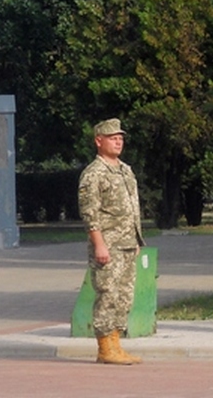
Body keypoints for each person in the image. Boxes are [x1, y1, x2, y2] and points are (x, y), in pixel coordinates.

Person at [78, 118, 145, 365]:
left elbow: (131, 208)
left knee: (124, 296)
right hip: (108, 245)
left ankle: (116, 344)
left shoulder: (124, 169)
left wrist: (136, 239)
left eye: (120, 137)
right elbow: (89, 213)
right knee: (107, 294)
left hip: (127, 243)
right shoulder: (93, 173)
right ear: (99, 141)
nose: (118, 141)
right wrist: (99, 244)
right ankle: (105, 347)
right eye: (112, 137)